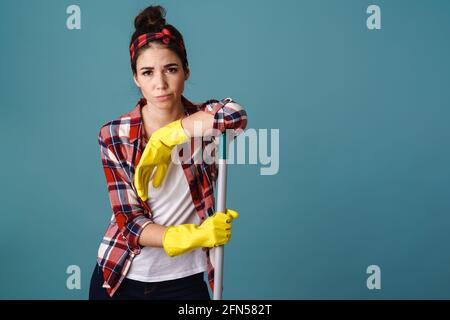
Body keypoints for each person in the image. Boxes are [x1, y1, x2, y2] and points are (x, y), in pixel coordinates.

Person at [89, 5, 247, 300]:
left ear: (186, 71)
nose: (160, 83)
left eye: (170, 69)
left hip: (184, 281)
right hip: (122, 276)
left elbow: (236, 115)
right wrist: (192, 236)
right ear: (136, 78)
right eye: (147, 72)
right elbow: (131, 223)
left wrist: (169, 135)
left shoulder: (206, 121)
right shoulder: (114, 134)